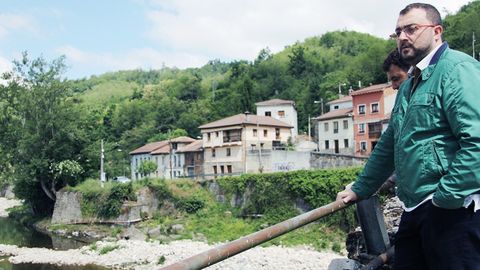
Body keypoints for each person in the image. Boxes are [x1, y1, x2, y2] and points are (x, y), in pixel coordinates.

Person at [337, 3, 480, 270]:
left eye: (412, 29)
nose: (403, 36)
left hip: (454, 211)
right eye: (398, 31)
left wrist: (445, 197)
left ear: (436, 31)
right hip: (415, 208)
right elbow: (390, 144)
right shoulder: (410, 84)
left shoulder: (457, 69)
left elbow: (477, 142)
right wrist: (360, 188)